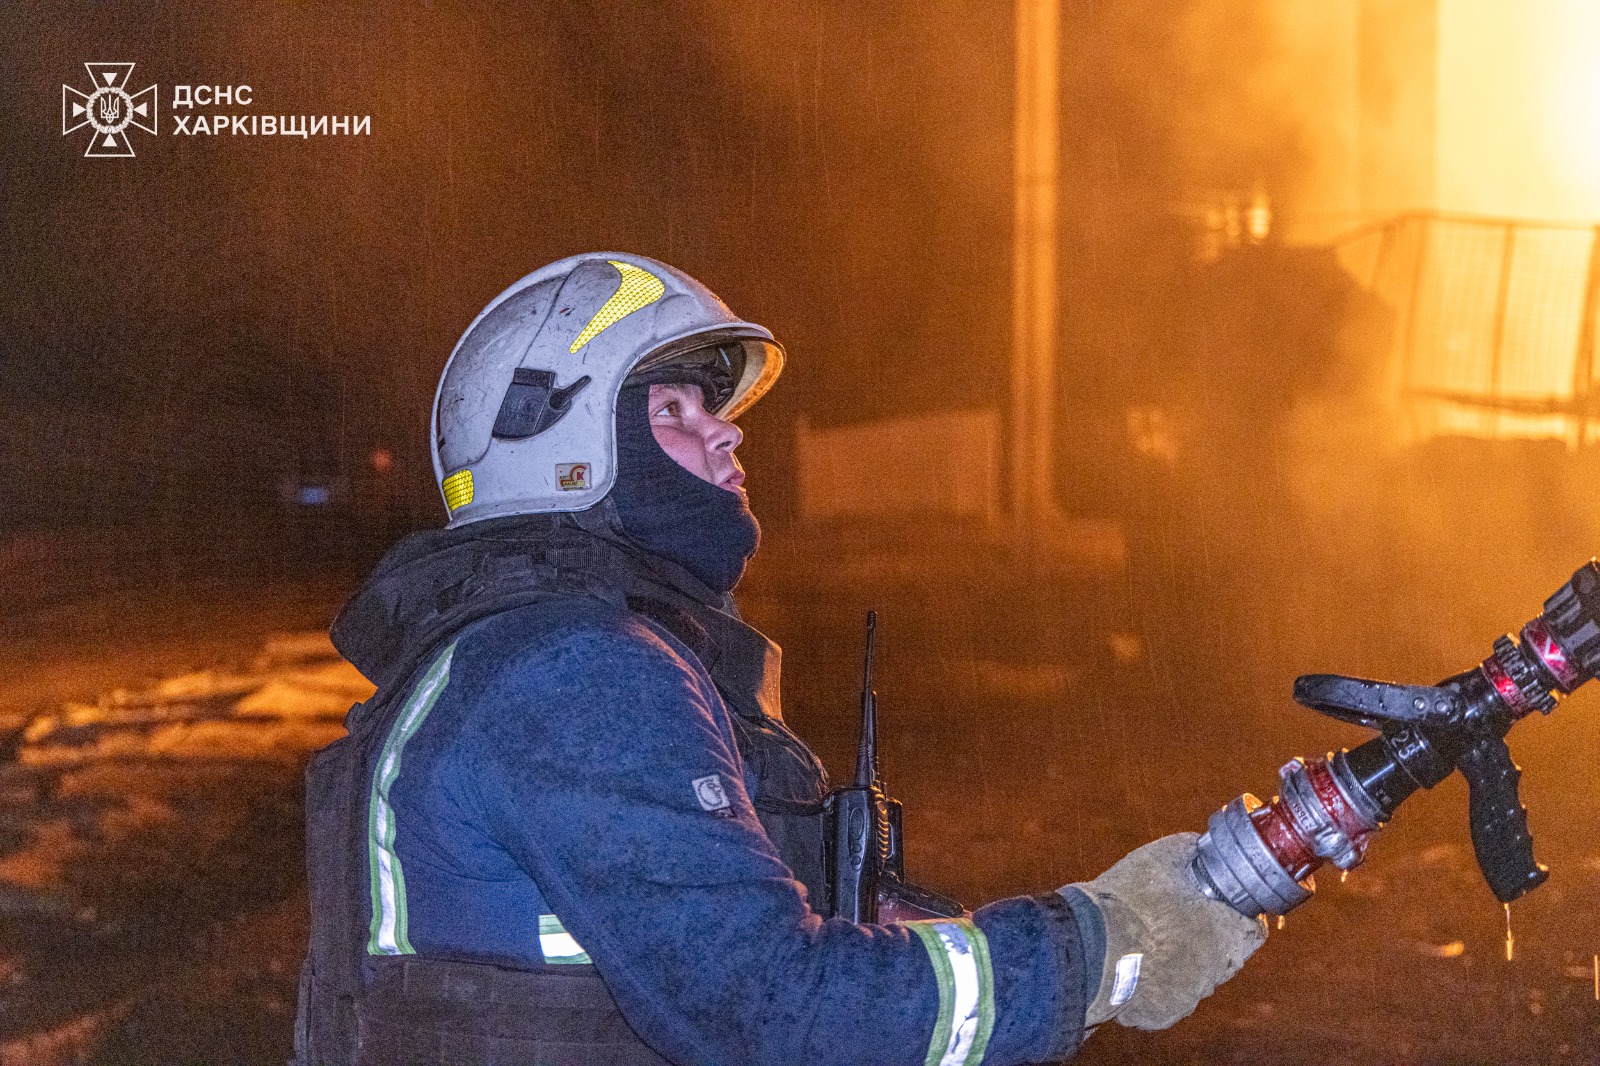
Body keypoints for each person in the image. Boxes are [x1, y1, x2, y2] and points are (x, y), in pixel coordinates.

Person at [293, 252, 1266, 1066]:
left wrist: (881, 935)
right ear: (563, 449)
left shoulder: (512, 653)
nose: (726, 431)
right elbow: (774, 1009)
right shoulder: (574, 668)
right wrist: (1106, 940)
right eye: (673, 411)